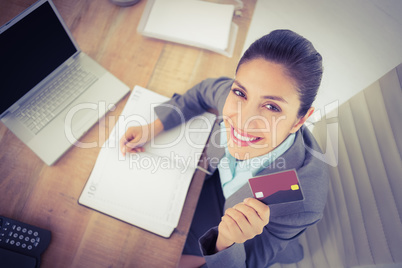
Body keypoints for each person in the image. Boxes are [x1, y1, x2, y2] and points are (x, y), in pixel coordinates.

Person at [120, 29, 329, 268]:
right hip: (204, 184)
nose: (243, 119)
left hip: (230, 231)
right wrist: (156, 126)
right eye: (240, 92)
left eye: (272, 107)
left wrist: (224, 243)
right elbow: (204, 91)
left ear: (299, 121)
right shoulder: (233, 95)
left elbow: (250, 263)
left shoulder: (298, 197)